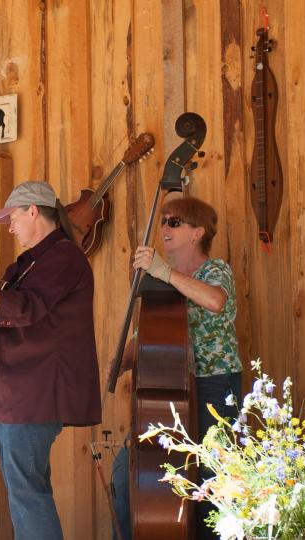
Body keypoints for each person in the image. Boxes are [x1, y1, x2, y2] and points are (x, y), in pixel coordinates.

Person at [0, 180, 102, 540]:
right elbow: (7, 311)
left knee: (27, 495)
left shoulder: (63, 257)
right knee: (25, 494)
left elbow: (28, 309)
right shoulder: (34, 262)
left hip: (33, 394)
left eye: (13, 217)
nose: (10, 227)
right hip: (16, 394)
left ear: (33, 210)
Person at [110, 196, 242, 540]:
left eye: (174, 222)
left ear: (197, 232)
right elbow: (145, 334)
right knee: (128, 475)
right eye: (164, 221)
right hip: (167, 390)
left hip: (213, 386)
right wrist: (116, 364)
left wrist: (164, 272)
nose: (164, 228)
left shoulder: (216, 270)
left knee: (213, 485)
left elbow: (215, 300)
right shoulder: (162, 282)